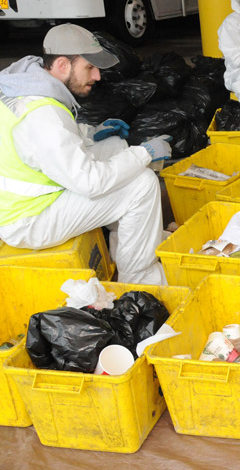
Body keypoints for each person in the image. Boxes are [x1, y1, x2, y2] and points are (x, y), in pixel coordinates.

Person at [0, 23, 173, 285]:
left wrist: (92, 133)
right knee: (142, 184)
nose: (97, 76)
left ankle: (132, 243)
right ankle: (140, 279)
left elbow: (48, 145)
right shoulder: (41, 115)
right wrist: (145, 153)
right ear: (62, 65)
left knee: (115, 146)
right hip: (29, 218)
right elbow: (90, 183)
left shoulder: (26, 86)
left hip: (35, 195)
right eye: (89, 68)